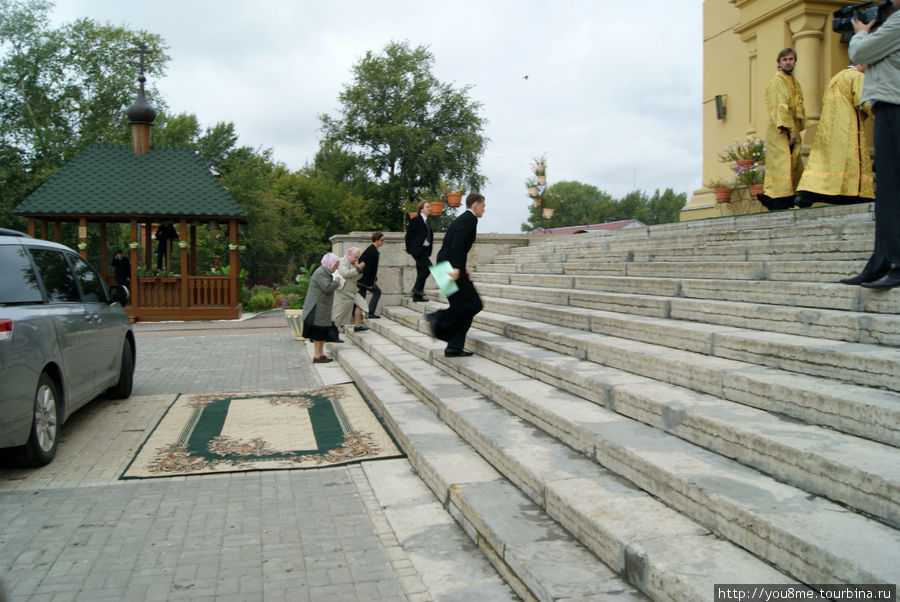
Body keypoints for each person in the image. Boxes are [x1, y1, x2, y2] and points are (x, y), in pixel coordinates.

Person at [843, 2, 900, 289]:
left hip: (894, 109)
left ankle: (897, 264)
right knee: (887, 191)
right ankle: (880, 263)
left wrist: (861, 32)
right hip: (888, 108)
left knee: (892, 189)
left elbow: (860, 53)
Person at [795, 65, 874, 207]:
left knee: (828, 166)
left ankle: (808, 195)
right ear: (862, 64)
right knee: (850, 162)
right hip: (848, 128)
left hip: (829, 130)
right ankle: (855, 195)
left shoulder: (834, 79)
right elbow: (864, 102)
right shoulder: (858, 77)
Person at [425, 193, 485, 357]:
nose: (484, 210)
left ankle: (454, 347)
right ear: (475, 205)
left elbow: (452, 245)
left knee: (464, 308)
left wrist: (461, 266)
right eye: (483, 206)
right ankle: (437, 318)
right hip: (450, 269)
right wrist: (458, 268)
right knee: (474, 305)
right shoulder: (470, 219)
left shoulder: (461, 219)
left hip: (443, 268)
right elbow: (458, 244)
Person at [758, 48, 806, 211]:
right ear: (778, 62)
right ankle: (777, 199)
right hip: (781, 130)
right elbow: (780, 107)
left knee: (793, 162)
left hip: (792, 129)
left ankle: (791, 196)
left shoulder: (794, 82)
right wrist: (790, 129)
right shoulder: (777, 81)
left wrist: (796, 128)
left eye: (791, 59)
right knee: (781, 164)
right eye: (784, 59)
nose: (788, 62)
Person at [301, 253, 344, 363]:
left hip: (323, 308)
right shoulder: (321, 273)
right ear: (330, 263)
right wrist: (336, 282)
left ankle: (320, 354)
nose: (337, 267)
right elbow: (327, 288)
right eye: (336, 265)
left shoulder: (326, 272)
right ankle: (317, 355)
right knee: (318, 333)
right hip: (317, 308)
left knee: (322, 332)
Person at [332, 247, 369, 333]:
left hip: (353, 291)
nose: (356, 259)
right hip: (343, 292)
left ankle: (357, 325)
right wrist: (357, 269)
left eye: (357, 257)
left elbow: (357, 277)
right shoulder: (342, 261)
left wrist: (359, 270)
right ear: (349, 255)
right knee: (339, 312)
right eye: (355, 257)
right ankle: (333, 331)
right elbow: (345, 273)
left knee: (362, 304)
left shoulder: (353, 264)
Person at [405, 201, 433, 302]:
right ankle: (416, 289)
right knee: (428, 268)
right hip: (417, 250)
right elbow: (409, 236)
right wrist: (408, 249)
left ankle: (417, 296)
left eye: (430, 207)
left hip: (424, 250)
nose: (430, 208)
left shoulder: (427, 221)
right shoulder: (416, 220)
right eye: (427, 207)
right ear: (421, 209)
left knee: (421, 271)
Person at [357, 231, 384, 318]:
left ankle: (360, 316)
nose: (383, 242)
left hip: (362, 279)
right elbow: (370, 269)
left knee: (361, 299)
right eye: (382, 240)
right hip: (365, 280)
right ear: (377, 240)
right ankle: (370, 313)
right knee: (377, 292)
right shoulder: (373, 252)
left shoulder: (371, 249)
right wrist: (369, 283)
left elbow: (361, 260)